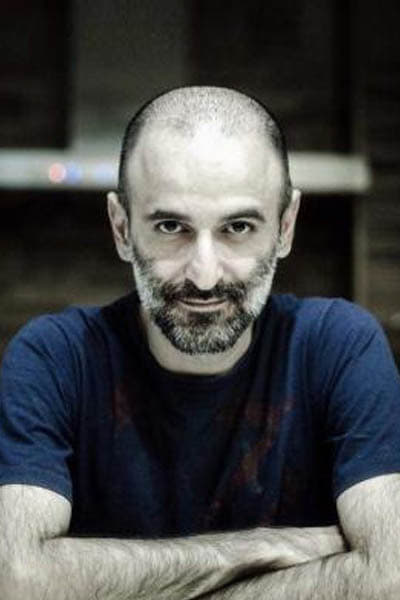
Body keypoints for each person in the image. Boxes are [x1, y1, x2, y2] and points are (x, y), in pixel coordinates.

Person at [0, 86, 400, 600]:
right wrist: (261, 548)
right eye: (171, 227)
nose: (205, 276)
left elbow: (390, 576)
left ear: (285, 227)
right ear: (122, 229)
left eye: (238, 227)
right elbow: (18, 577)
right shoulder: (56, 358)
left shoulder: (338, 348)